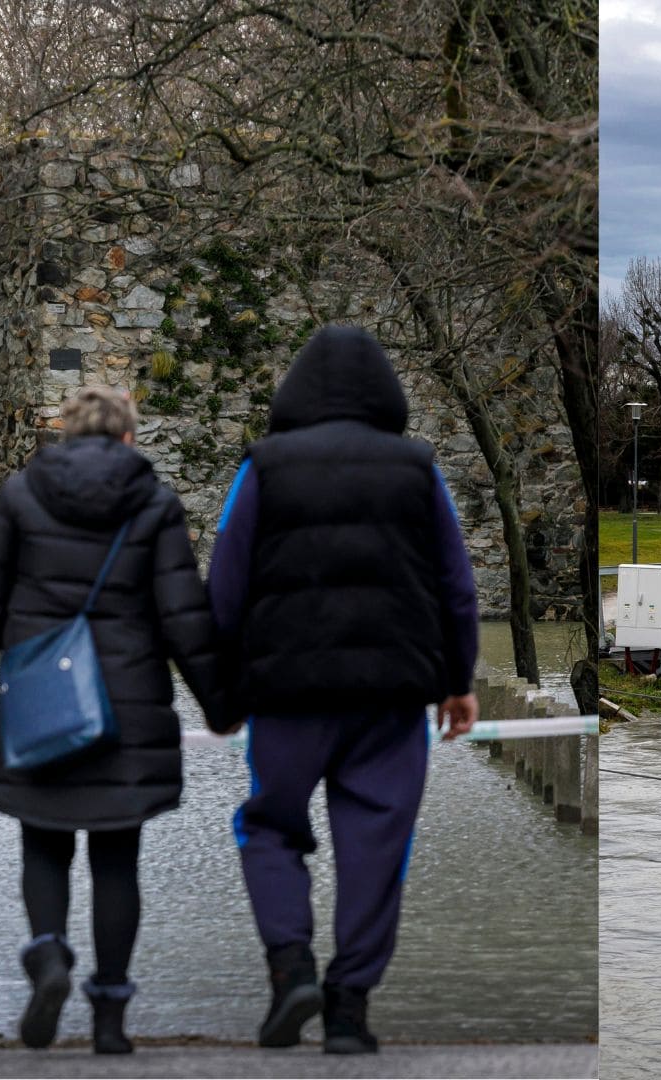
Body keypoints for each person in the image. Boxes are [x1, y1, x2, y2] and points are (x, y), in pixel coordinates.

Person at [205, 325, 480, 1055]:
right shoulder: (418, 469)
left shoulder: (262, 466)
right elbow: (456, 585)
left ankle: (291, 965)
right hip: (392, 697)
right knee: (377, 845)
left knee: (269, 828)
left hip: (286, 694)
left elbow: (224, 586)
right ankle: (349, 1011)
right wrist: (457, 683)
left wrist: (223, 693)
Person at [0, 386, 224, 1055]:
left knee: (44, 843)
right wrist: (221, 703)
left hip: (42, 703)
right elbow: (184, 619)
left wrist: (25, 648)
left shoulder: (21, 494)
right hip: (127, 708)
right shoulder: (154, 503)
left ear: (68, 432)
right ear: (129, 436)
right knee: (116, 860)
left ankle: (49, 956)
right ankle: (109, 1021)